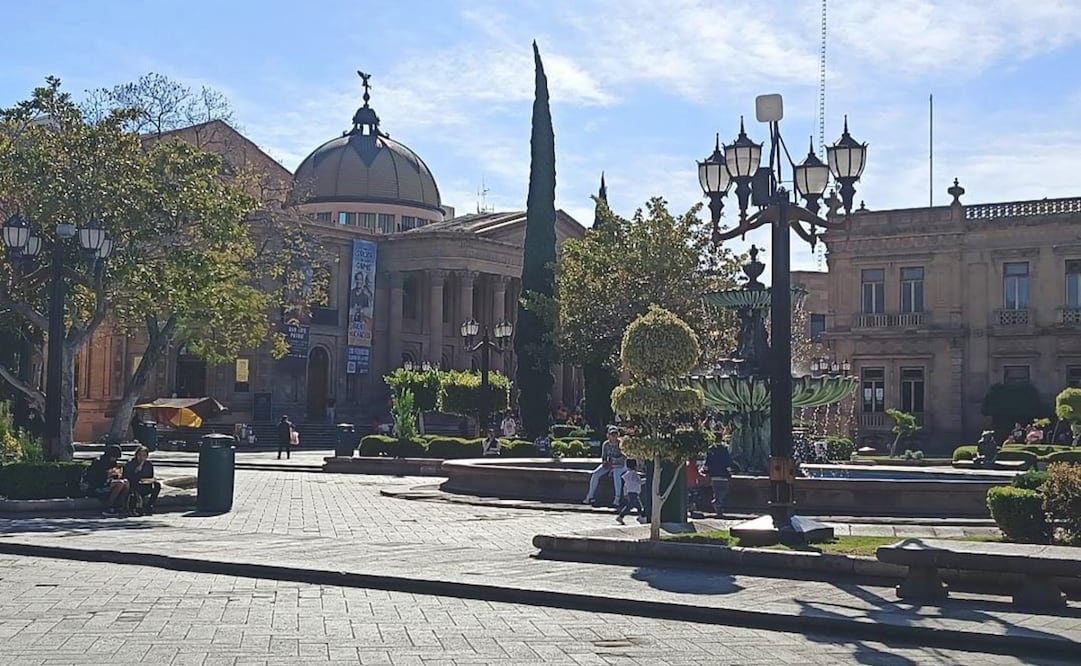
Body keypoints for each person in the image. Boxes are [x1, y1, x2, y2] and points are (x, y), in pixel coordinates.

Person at [584, 426, 627, 506]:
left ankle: (617, 498)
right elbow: (604, 457)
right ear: (608, 435)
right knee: (595, 474)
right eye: (612, 434)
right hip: (609, 465)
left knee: (616, 474)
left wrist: (614, 463)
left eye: (615, 434)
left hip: (621, 466)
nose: (613, 436)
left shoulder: (622, 443)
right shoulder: (605, 444)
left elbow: (624, 457)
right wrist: (605, 463)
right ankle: (590, 496)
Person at [85, 444, 129, 517]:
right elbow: (94, 478)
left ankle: (119, 506)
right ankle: (109, 507)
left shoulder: (113, 463)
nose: (114, 459)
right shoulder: (98, 462)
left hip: (109, 484)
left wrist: (117, 475)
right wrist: (107, 475)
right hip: (98, 487)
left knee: (126, 482)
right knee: (120, 483)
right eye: (113, 457)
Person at [123, 445, 161, 516]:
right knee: (135, 487)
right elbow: (127, 476)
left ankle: (150, 505)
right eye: (140, 455)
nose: (141, 457)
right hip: (134, 485)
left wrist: (151, 480)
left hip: (145, 484)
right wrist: (137, 471)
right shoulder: (130, 464)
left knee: (157, 485)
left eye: (144, 455)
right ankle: (134, 508)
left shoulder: (148, 464)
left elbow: (150, 476)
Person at [702, 440, 734, 517]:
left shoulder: (711, 449)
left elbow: (708, 461)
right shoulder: (724, 449)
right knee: (724, 490)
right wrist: (730, 470)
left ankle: (717, 503)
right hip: (723, 474)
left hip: (714, 474)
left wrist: (706, 470)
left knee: (716, 491)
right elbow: (727, 461)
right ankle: (717, 503)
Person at [616, 459, 645, 524]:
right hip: (634, 492)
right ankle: (621, 516)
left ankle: (641, 517)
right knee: (630, 506)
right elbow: (639, 482)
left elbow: (625, 486)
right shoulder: (634, 474)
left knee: (638, 506)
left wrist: (625, 493)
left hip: (630, 492)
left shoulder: (627, 475)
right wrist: (646, 480)